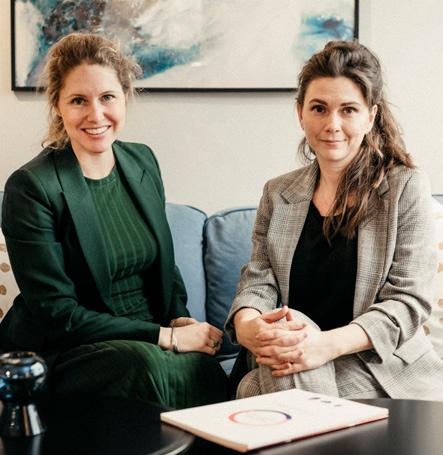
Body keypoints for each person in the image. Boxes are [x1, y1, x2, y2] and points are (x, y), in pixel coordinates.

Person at [0, 33, 228, 409]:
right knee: (145, 367)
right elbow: (58, 314)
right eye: (78, 100)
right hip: (73, 348)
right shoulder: (32, 187)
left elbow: (163, 265)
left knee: (205, 368)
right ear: (57, 105)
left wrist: (178, 320)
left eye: (107, 97)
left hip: (152, 338)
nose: (96, 115)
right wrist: (164, 337)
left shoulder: (142, 161)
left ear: (124, 96)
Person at [226, 40, 443, 400]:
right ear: (300, 113)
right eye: (319, 108)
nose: (332, 124)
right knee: (290, 338)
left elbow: (408, 301)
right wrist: (248, 325)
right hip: (295, 354)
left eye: (348, 110)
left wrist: (323, 345)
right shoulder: (277, 193)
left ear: (370, 116)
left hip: (376, 364)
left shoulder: (405, 187)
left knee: (253, 388)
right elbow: (258, 281)